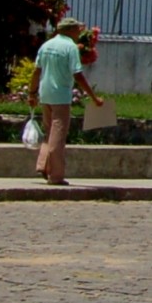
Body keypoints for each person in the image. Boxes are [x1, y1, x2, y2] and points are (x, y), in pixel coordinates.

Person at [27, 17, 103, 186]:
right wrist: (94, 97)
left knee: (49, 132)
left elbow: (36, 72)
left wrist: (31, 93)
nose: (79, 34)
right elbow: (78, 75)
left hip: (45, 93)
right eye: (77, 30)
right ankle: (56, 175)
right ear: (70, 31)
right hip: (60, 96)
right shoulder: (70, 48)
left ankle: (43, 165)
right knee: (58, 135)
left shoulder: (46, 46)